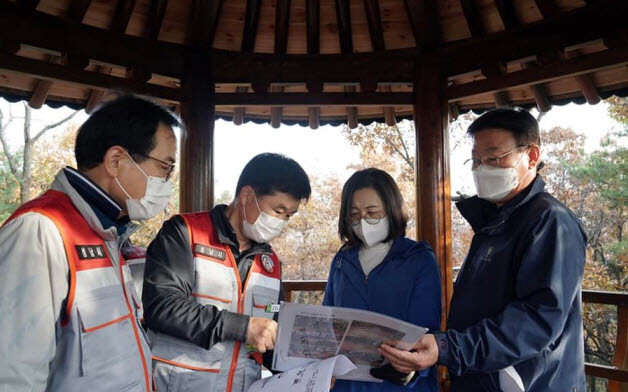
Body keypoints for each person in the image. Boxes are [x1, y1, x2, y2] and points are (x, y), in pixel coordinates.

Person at [378, 108, 587, 391]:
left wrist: (447, 348)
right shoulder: (493, 224)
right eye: (476, 160)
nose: (482, 168)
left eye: (493, 158)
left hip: (534, 383)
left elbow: (537, 319)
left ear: (532, 156)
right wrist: (446, 347)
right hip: (482, 378)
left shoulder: (550, 221)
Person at [0, 95, 179, 392]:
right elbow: (11, 374)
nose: (167, 182)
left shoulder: (107, 234)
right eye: (165, 167)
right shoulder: (41, 231)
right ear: (115, 161)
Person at [143, 152, 311, 392]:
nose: (281, 221)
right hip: (176, 384)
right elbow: (162, 306)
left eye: (288, 215)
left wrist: (305, 370)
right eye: (277, 210)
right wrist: (243, 327)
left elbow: (271, 331)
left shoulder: (270, 263)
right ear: (246, 195)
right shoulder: (185, 232)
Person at [323, 168, 441, 392]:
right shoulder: (341, 261)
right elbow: (329, 318)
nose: (363, 221)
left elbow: (427, 330)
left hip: (400, 382)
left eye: (372, 212)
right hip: (349, 382)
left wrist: (408, 367)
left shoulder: (418, 258)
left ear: (391, 209)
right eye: (355, 214)